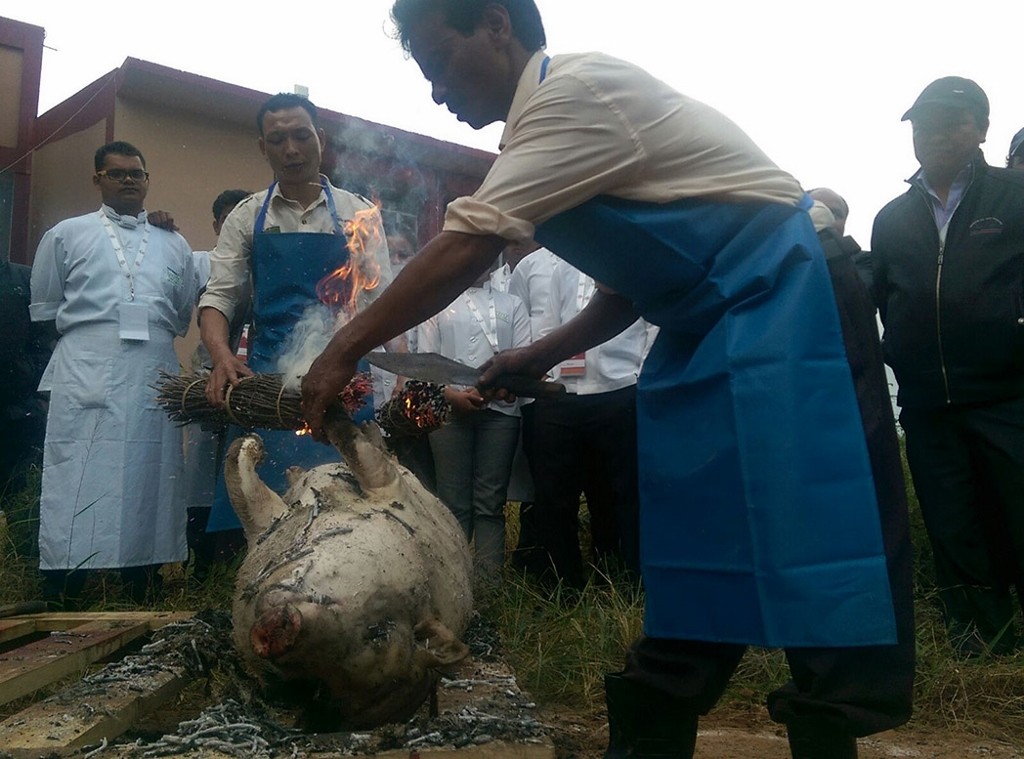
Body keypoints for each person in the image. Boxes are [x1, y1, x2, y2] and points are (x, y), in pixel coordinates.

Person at [301, 3, 914, 757]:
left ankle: (827, 725)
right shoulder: (537, 134)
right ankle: (659, 709)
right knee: (696, 518)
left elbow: (466, 245)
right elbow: (626, 289)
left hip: (793, 295)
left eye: (439, 64)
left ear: (496, 24)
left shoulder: (573, 93)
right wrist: (536, 354)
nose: (436, 93)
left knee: (810, 513)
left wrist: (340, 352)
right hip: (706, 324)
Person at [871, 77, 1024, 658]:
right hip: (928, 403)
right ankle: (981, 639)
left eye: (951, 119)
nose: (934, 130)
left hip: (1010, 394)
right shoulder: (892, 218)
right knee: (952, 522)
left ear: (982, 129)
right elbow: (878, 298)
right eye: (924, 121)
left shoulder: (1016, 195)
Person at [199, 93, 396, 532]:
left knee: (354, 517)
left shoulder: (356, 213)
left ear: (321, 139)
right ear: (262, 148)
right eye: (278, 139)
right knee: (265, 513)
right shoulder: (247, 217)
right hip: (267, 383)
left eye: (302, 136)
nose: (291, 149)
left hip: (346, 379)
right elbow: (219, 298)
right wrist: (221, 356)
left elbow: (380, 301)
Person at [29, 140, 197, 607]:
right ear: (97, 178)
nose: (128, 180)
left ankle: (143, 576)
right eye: (117, 172)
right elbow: (45, 307)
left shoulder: (173, 241)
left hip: (153, 361)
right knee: (77, 466)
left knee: (152, 467)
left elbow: (183, 310)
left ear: (147, 181)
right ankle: (67, 581)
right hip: (87, 357)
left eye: (137, 173)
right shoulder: (67, 233)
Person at [520, 257, 652, 588]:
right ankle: (560, 585)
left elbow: (652, 324)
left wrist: (641, 376)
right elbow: (550, 326)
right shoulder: (562, 268)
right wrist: (546, 374)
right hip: (562, 394)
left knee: (621, 493)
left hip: (619, 388)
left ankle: (622, 579)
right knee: (553, 494)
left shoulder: (626, 261)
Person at [417, 262, 531, 577]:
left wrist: (491, 392)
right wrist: (452, 396)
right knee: (452, 503)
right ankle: (453, 582)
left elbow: (522, 359)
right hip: (448, 412)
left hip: (500, 414)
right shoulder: (436, 303)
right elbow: (426, 365)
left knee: (490, 504)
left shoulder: (512, 304)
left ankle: (489, 585)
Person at [183, 188, 250, 578]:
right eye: (228, 221)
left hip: (252, 385)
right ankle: (201, 563)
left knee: (240, 470)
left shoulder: (264, 265)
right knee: (201, 476)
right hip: (208, 381)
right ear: (216, 225)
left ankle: (236, 559)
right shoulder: (203, 264)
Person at [0, 259, 53, 496]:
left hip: (20, 413)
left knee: (16, 498)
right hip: (22, 407)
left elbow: (45, 337)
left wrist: (32, 382)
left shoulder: (25, 279)